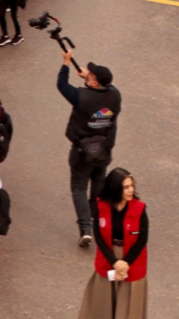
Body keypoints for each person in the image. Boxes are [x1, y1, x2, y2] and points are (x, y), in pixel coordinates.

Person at [57, 51, 123, 248]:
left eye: (92, 74)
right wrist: (89, 77)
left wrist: (66, 63)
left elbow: (62, 85)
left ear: (94, 82)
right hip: (103, 150)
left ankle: (85, 229)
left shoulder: (81, 97)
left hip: (81, 151)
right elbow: (107, 86)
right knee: (97, 185)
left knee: (78, 187)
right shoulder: (115, 96)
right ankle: (97, 222)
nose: (89, 74)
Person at [78, 169, 149, 319]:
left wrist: (124, 263)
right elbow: (98, 235)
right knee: (102, 305)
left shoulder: (139, 209)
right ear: (115, 188)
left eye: (131, 186)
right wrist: (114, 262)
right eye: (125, 187)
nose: (131, 190)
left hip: (131, 261)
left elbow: (142, 239)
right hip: (109, 258)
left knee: (129, 306)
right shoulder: (101, 206)